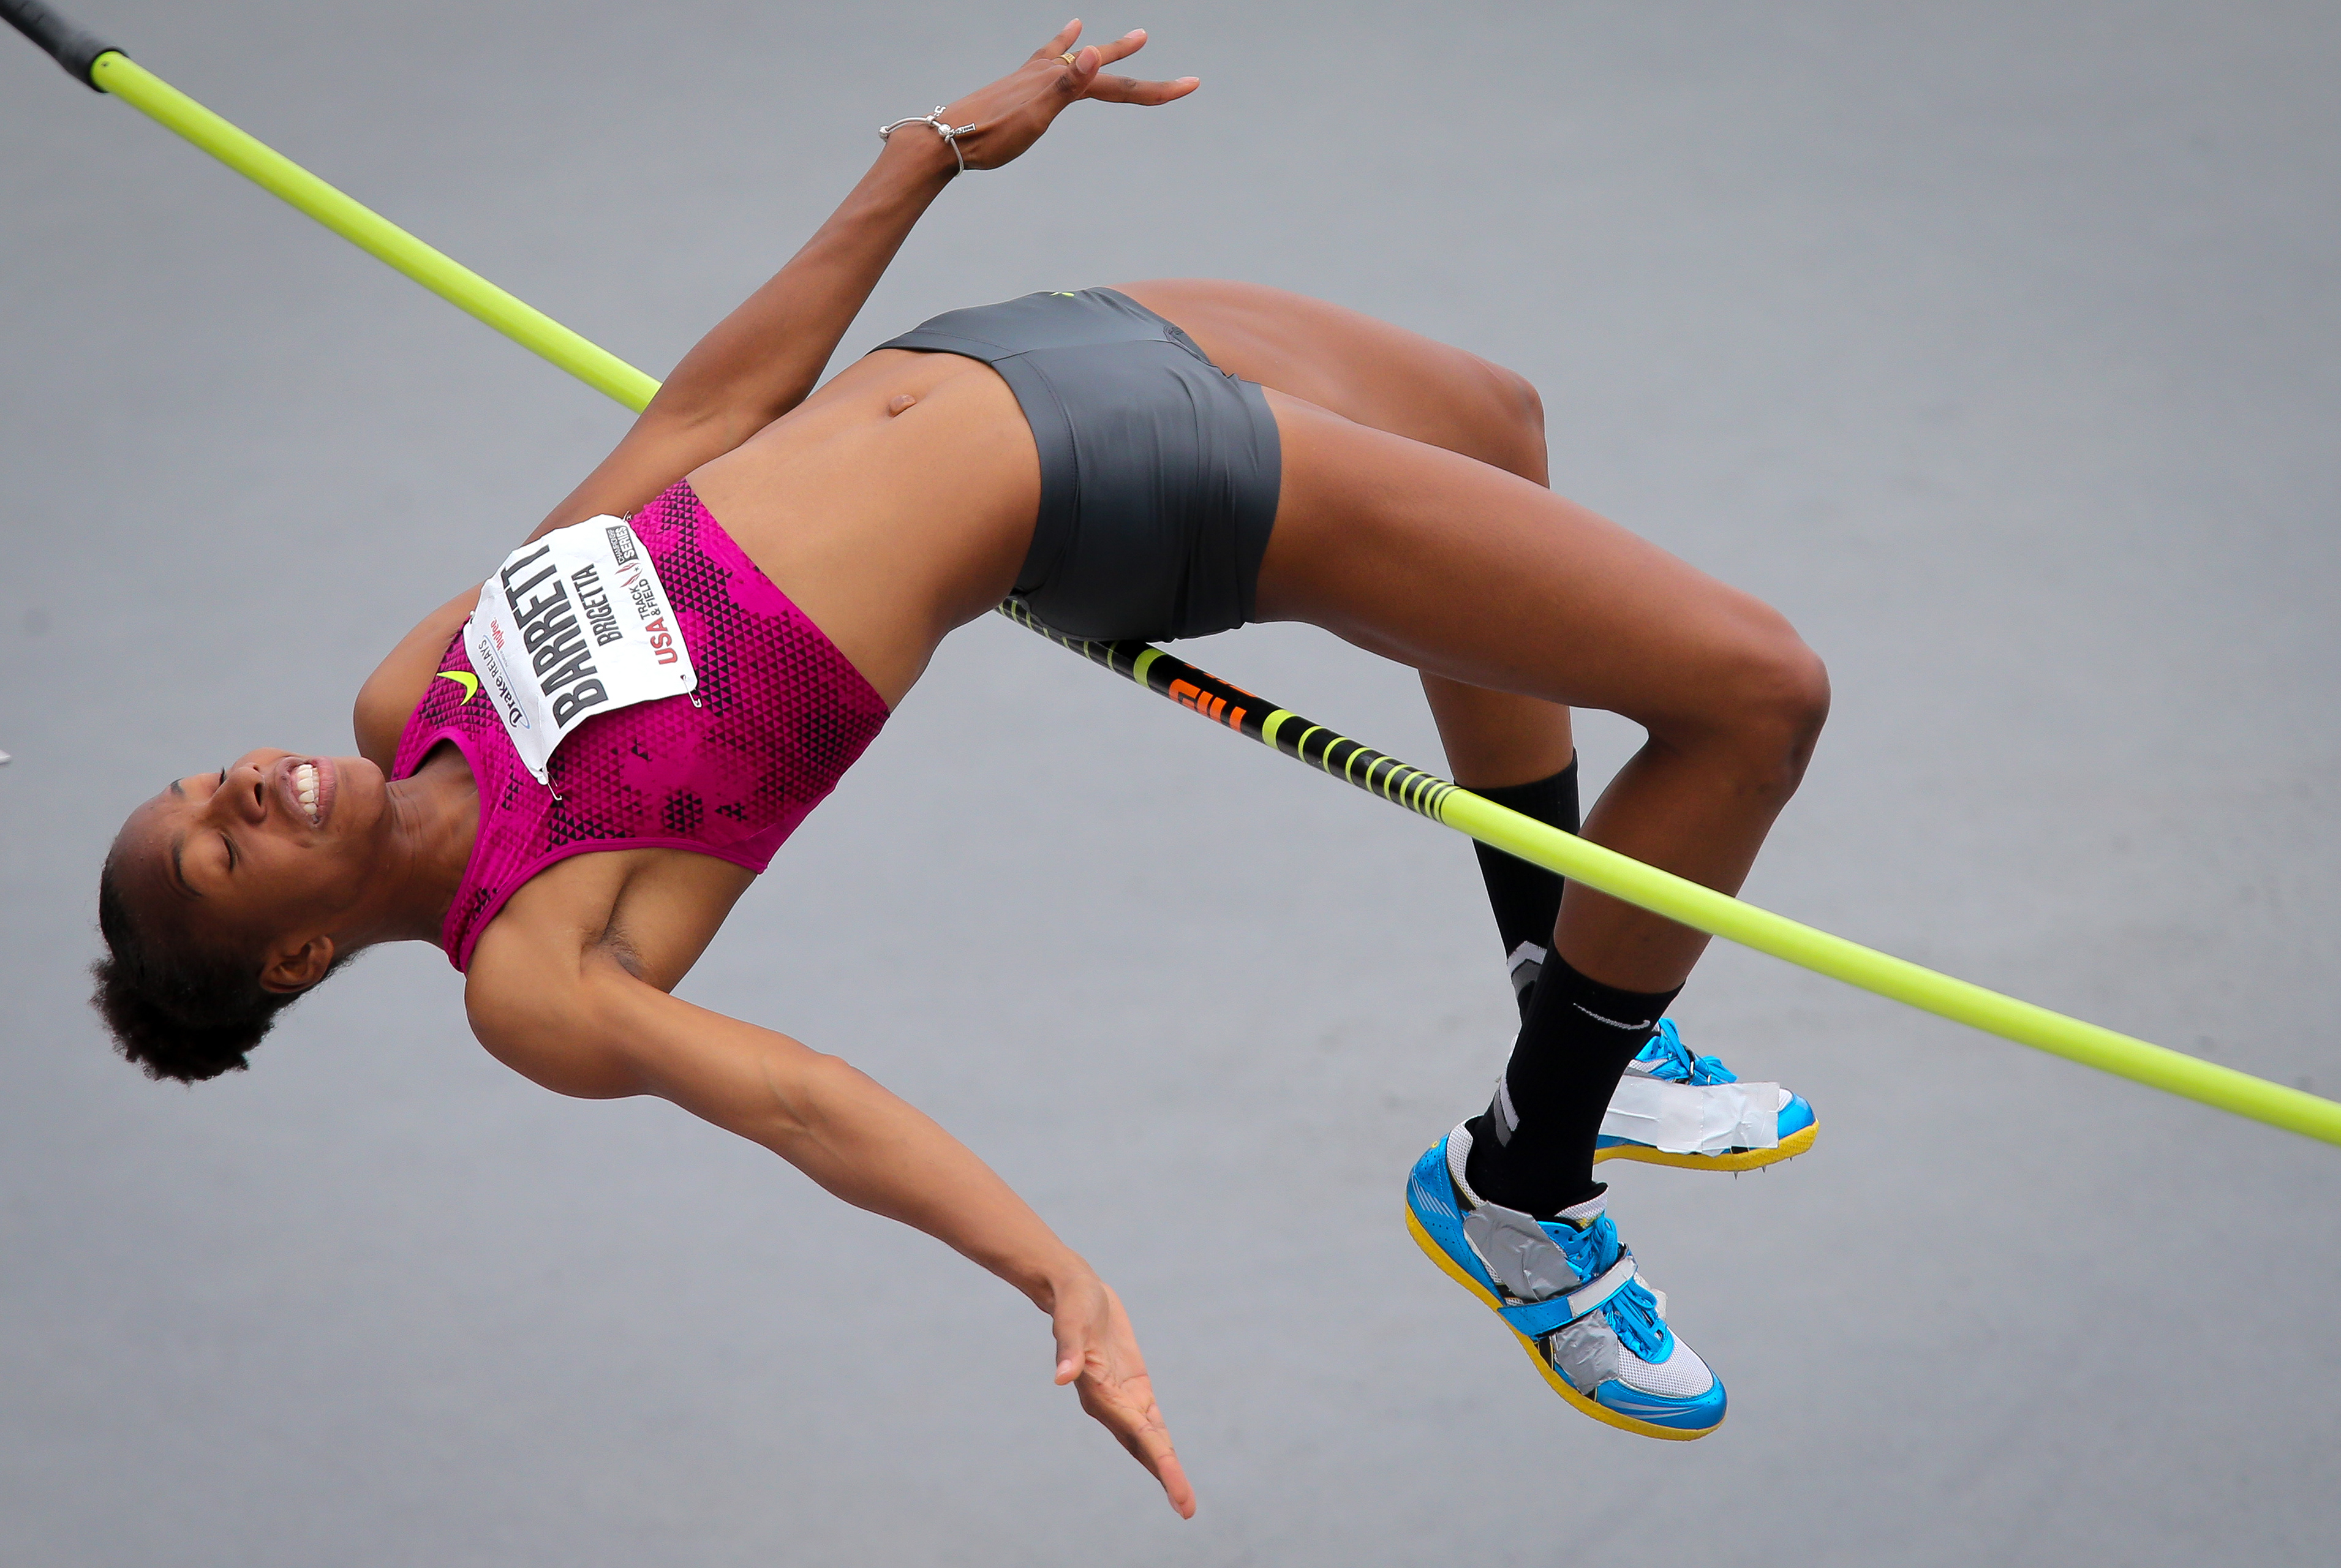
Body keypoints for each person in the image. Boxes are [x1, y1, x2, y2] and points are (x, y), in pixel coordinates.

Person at [90, 21, 1828, 1515]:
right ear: (297, 956)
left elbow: (698, 426)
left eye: (202, 786)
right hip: (1122, 492)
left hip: (1017, 348)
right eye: (224, 855)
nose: (241, 787)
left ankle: (1575, 1000)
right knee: (1759, 697)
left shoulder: (416, 695)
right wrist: (1054, 1275)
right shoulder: (534, 969)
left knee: (1498, 422)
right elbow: (801, 1100)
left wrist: (930, 154)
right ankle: (1524, 1188)